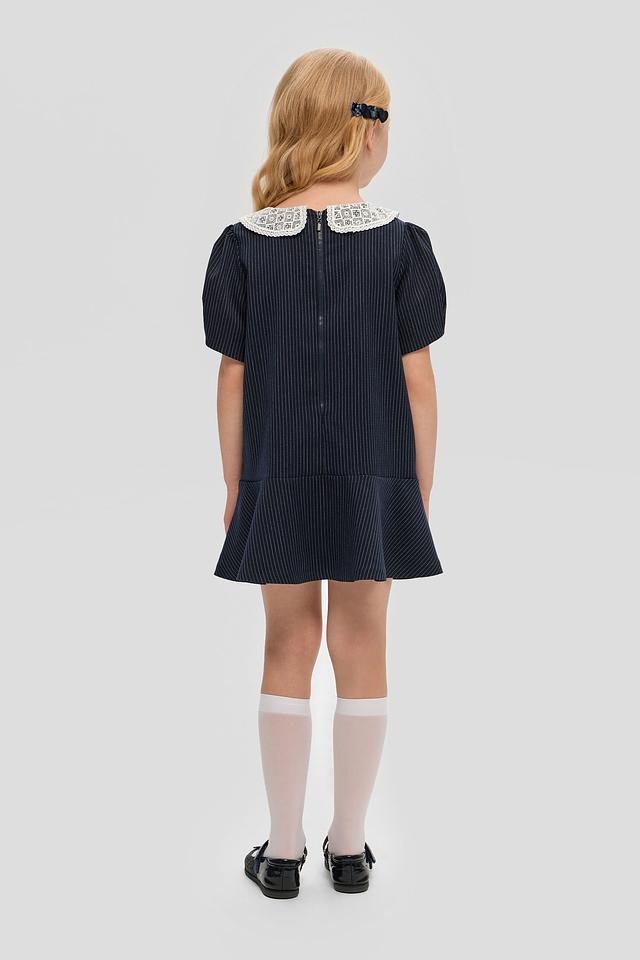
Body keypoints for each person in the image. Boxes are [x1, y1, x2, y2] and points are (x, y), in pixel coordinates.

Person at [202, 48, 447, 899]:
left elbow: (232, 378)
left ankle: (280, 853)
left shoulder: (241, 248)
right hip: (375, 476)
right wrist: (415, 492)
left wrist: (236, 486)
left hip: (275, 473)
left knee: (287, 642)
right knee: (363, 643)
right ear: (365, 132)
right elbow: (419, 384)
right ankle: (348, 847)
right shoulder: (403, 245)